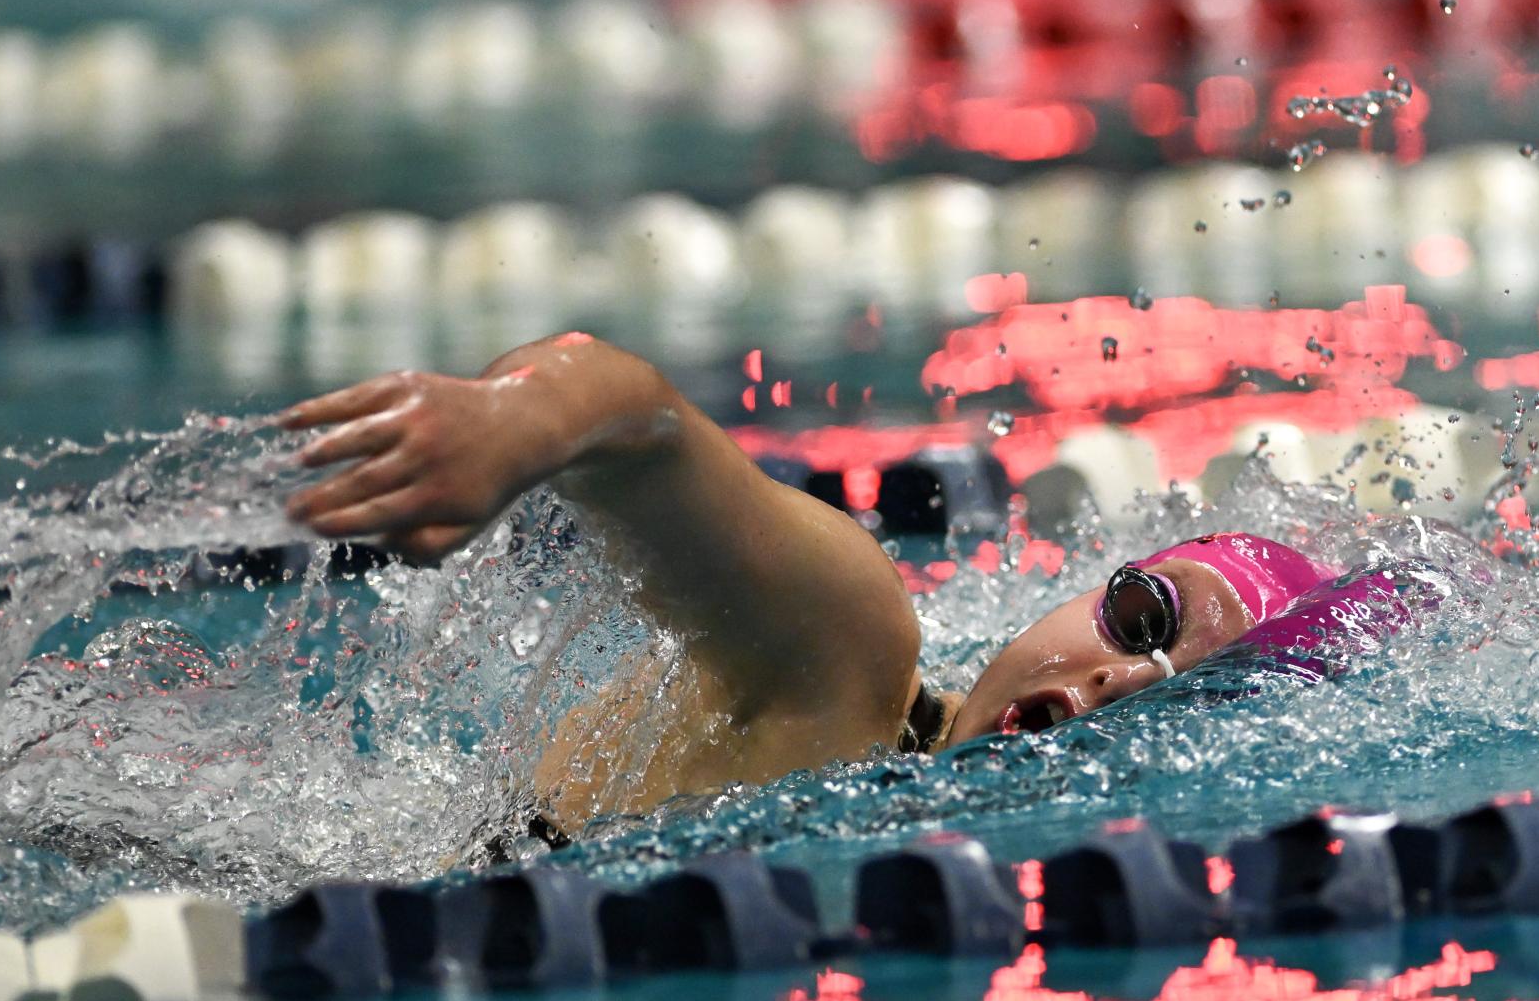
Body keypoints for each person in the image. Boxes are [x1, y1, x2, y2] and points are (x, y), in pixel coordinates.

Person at [279, 334, 1357, 833]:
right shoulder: (851, 653)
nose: (1113, 684)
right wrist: (511, 424)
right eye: (1138, 620)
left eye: (1182, 694)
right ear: (1081, 590)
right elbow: (636, 417)